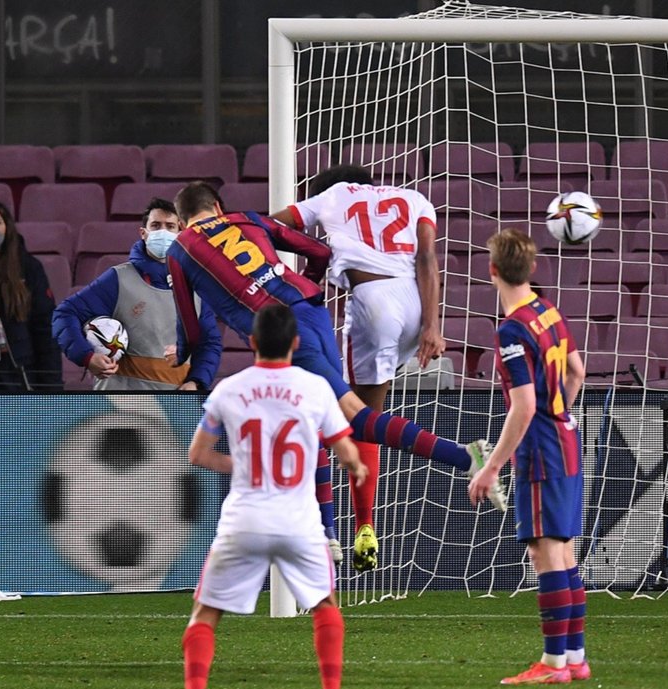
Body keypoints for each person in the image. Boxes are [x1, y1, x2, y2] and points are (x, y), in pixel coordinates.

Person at [166, 181, 504, 573]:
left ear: (182, 220)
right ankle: (327, 533)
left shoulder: (181, 249)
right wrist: (302, 283)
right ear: (218, 206)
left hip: (282, 330)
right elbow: (319, 250)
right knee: (318, 417)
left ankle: (465, 456)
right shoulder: (246, 219)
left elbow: (189, 324)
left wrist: (185, 354)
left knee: (354, 417)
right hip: (310, 309)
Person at [163, 304, 366, 689]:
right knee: (326, 607)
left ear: (251, 343)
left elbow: (197, 455)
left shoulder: (227, 390)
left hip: (244, 520)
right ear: (296, 344)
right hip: (299, 521)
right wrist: (356, 468)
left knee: (205, 613)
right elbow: (348, 454)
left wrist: (242, 466)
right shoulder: (315, 388)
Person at [271, 164, 446, 577]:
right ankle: (364, 525)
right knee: (368, 416)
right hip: (416, 306)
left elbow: (272, 224)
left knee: (349, 416)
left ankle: (332, 525)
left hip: (373, 299)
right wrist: (433, 327)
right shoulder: (416, 199)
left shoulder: (334, 195)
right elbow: (427, 258)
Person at [468, 228, 589, 685]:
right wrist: (562, 412)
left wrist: (492, 467)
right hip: (567, 437)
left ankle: (553, 664)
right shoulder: (547, 309)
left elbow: (523, 405)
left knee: (545, 555)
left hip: (541, 448)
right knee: (565, 552)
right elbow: (577, 370)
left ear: (492, 269)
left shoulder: (513, 328)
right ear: (532, 268)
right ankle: (574, 658)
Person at [52, 198, 220, 391]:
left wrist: (196, 382)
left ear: (181, 234)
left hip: (175, 411)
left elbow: (209, 343)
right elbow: (65, 314)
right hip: (119, 409)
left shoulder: (198, 288)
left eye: (170, 226)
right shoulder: (118, 279)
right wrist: (87, 357)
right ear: (143, 233)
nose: (162, 232)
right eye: (156, 226)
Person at [0, 200, 63, 392]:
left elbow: (45, 328)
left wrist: (51, 387)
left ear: (7, 229)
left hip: (17, 373)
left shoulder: (29, 269)